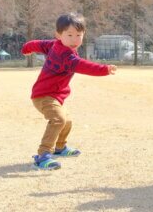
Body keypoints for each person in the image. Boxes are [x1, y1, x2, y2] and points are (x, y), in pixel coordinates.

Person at [22, 12, 117, 170]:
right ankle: (43, 155)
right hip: (44, 96)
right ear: (59, 35)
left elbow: (37, 44)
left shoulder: (55, 44)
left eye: (78, 35)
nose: (74, 40)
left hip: (54, 96)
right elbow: (84, 66)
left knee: (67, 121)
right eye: (70, 35)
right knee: (59, 119)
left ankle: (60, 147)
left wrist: (27, 48)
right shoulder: (65, 55)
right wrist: (104, 69)